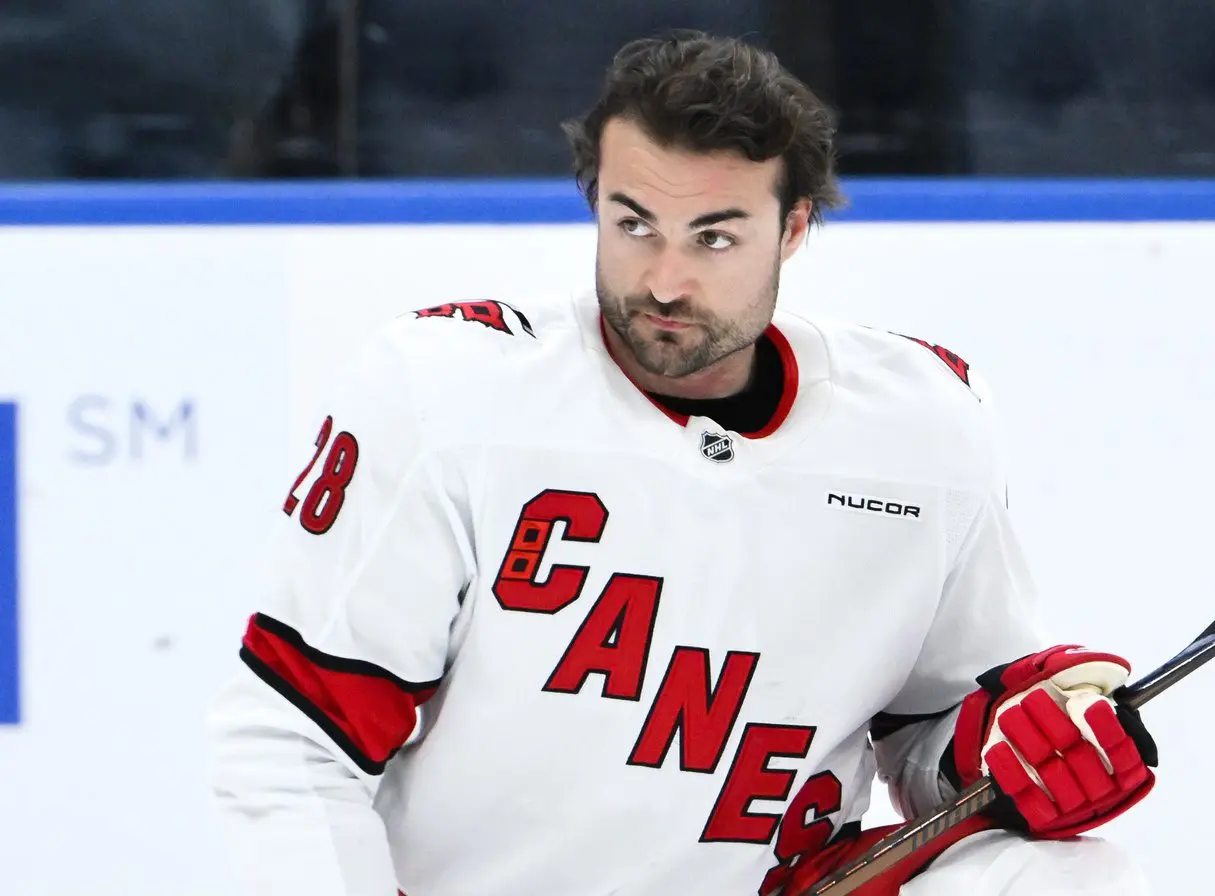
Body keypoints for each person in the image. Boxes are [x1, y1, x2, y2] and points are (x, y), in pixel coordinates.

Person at [206, 30, 1159, 895]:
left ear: (791, 230)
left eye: (715, 237)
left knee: (1078, 879)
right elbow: (292, 740)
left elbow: (940, 730)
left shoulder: (924, 423)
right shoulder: (448, 395)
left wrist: (1028, 732)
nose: (664, 280)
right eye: (633, 226)